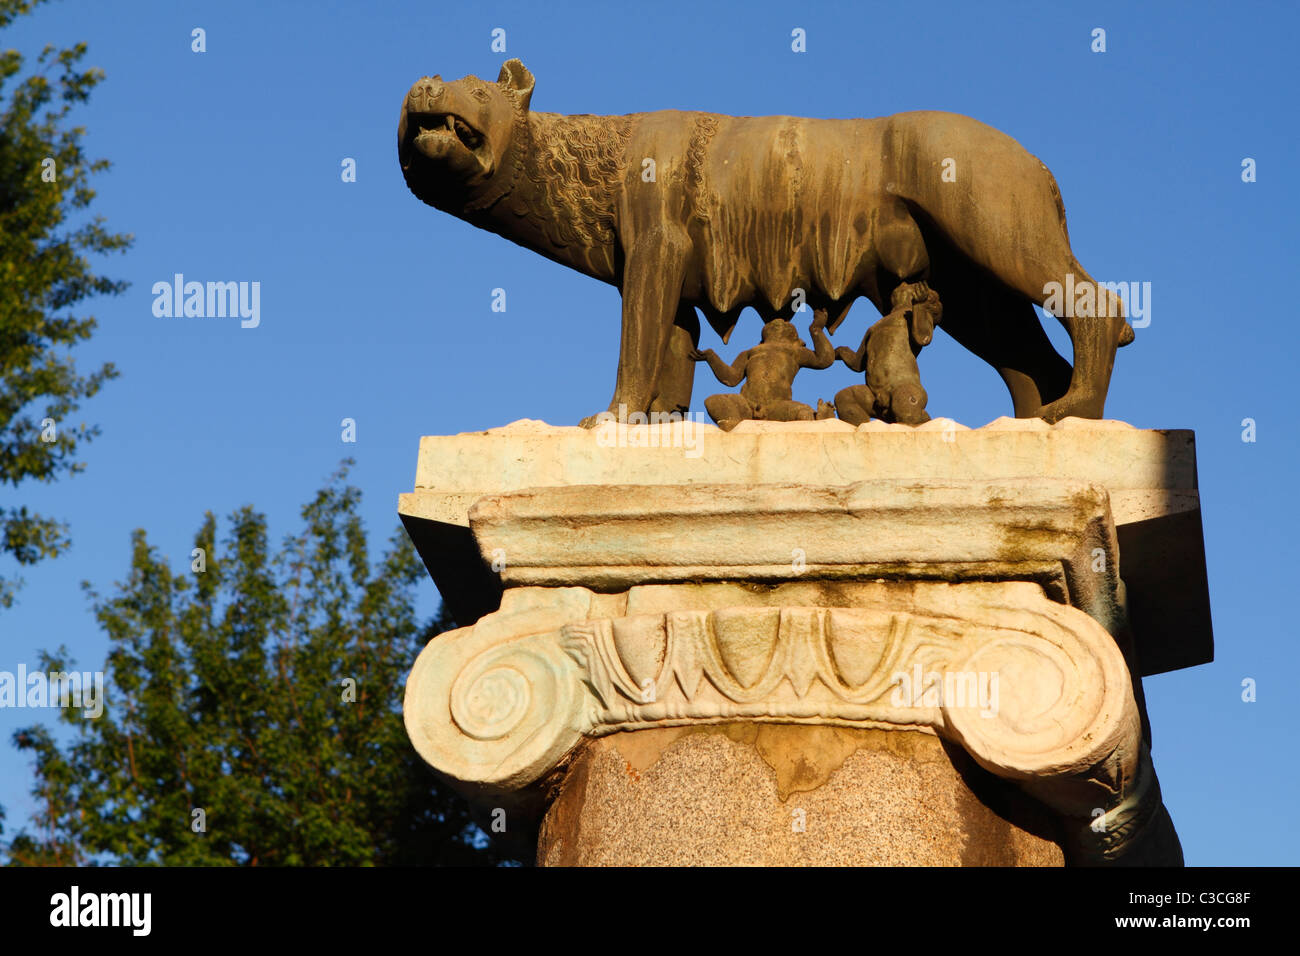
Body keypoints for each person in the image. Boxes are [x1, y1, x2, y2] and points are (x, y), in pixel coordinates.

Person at [690, 311, 836, 431]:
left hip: (778, 406)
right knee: (714, 401)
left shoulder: (795, 351)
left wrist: (816, 329)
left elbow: (825, 359)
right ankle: (734, 427)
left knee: (804, 414)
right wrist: (711, 357)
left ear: (796, 339)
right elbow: (731, 378)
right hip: (747, 405)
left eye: (785, 323)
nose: (779, 321)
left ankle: (818, 417)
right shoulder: (749, 352)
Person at [834, 282, 941, 425]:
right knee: (845, 398)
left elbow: (923, 337)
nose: (901, 286)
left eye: (907, 287)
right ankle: (866, 438)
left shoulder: (914, 314)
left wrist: (919, 306)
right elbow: (858, 364)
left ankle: (921, 420)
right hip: (875, 396)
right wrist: (842, 352)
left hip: (903, 388)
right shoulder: (875, 327)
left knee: (904, 406)